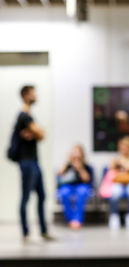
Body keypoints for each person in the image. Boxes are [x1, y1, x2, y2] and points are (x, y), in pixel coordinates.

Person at [13, 85, 54, 241]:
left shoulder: (28, 116)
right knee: (25, 197)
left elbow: (41, 134)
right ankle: (25, 232)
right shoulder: (24, 116)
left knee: (42, 195)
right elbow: (41, 134)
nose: (36, 95)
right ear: (25, 95)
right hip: (27, 162)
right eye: (33, 93)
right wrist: (37, 132)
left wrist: (37, 132)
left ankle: (43, 230)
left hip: (34, 161)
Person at [57, 145, 93, 230]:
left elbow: (87, 179)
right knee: (64, 193)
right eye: (74, 152)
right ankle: (70, 219)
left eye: (78, 152)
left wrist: (80, 168)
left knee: (82, 192)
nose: (76, 154)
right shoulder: (67, 165)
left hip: (81, 186)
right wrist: (68, 164)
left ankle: (77, 219)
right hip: (68, 186)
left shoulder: (86, 166)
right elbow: (59, 176)